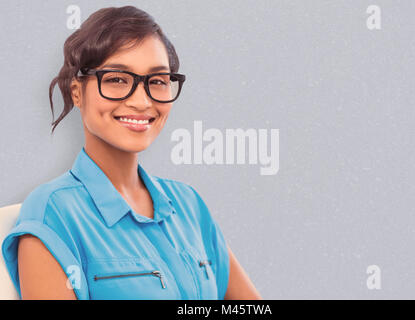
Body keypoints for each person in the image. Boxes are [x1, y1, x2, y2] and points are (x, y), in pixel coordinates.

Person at [1, 5, 261, 300]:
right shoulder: (54, 213)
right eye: (116, 79)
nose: (141, 101)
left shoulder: (188, 204)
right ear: (77, 92)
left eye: (158, 81)